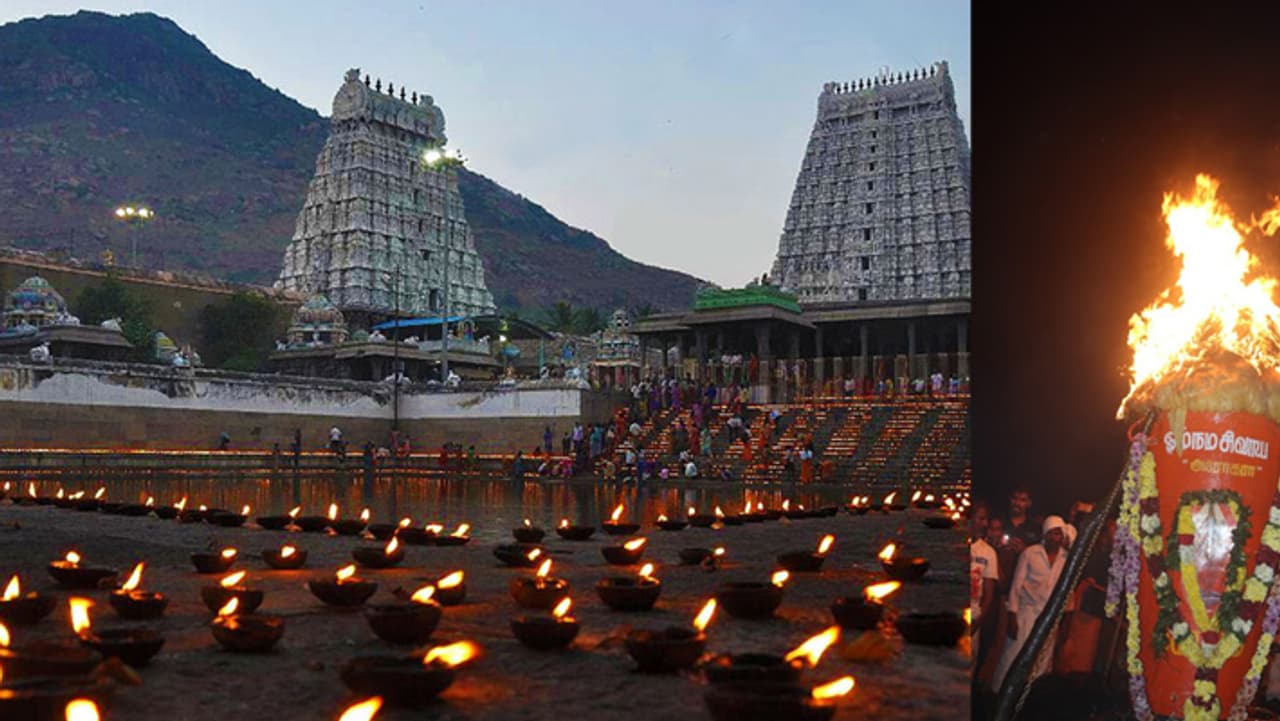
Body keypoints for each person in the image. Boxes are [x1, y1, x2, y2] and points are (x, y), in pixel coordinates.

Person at [992, 515, 1071, 691]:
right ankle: (998, 696)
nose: (1055, 538)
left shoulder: (1066, 560)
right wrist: (1012, 616)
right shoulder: (1030, 553)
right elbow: (1016, 586)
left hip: (1049, 619)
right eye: (1051, 533)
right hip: (1026, 614)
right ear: (1044, 535)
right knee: (1013, 657)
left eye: (1058, 534)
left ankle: (1029, 703)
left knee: (1041, 664)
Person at [970, 503, 1000, 669]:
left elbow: (988, 595)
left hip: (974, 618)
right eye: (981, 518)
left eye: (985, 519)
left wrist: (976, 623)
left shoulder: (988, 553)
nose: (984, 524)